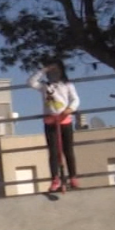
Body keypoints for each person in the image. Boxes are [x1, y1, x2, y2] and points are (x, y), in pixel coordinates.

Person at [28, 60, 80, 191]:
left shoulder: (67, 85)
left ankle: (73, 177)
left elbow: (75, 99)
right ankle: (55, 178)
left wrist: (69, 109)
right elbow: (30, 82)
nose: (53, 74)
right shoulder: (44, 86)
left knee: (68, 149)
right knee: (53, 152)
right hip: (50, 121)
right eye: (50, 71)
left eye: (56, 71)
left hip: (65, 120)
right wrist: (43, 70)